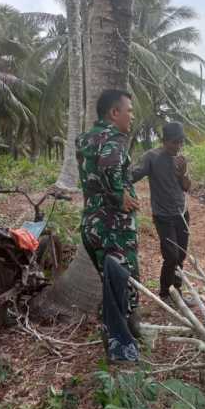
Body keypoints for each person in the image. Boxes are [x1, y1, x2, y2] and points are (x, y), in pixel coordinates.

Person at [75, 89, 141, 364]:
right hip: (113, 224)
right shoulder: (114, 138)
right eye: (129, 111)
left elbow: (97, 169)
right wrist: (119, 195)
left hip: (92, 223)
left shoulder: (86, 139)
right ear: (114, 113)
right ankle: (121, 348)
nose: (132, 117)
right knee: (123, 282)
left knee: (111, 283)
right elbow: (108, 167)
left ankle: (123, 334)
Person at [132, 121, 197, 307]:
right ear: (164, 141)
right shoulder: (151, 157)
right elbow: (135, 175)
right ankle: (165, 292)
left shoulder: (180, 159)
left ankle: (176, 292)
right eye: (174, 142)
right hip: (162, 215)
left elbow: (186, 187)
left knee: (181, 255)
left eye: (180, 142)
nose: (177, 146)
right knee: (172, 255)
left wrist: (183, 173)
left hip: (182, 213)